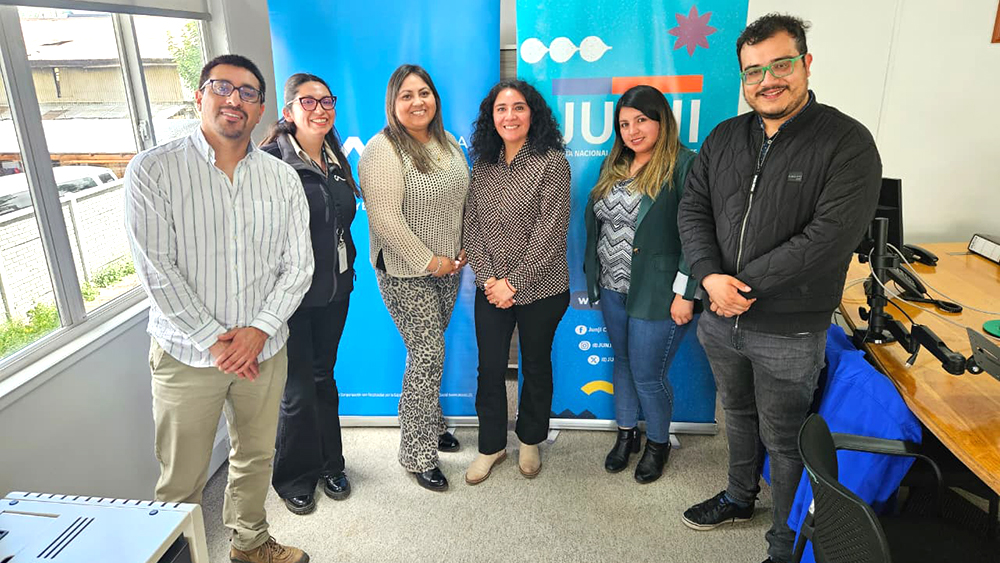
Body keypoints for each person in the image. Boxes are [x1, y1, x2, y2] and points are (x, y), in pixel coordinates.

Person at [676, 14, 881, 563]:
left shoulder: (848, 142)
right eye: (754, 71)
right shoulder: (724, 138)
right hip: (721, 321)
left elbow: (828, 239)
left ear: (806, 63)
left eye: (781, 64)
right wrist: (708, 278)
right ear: (743, 78)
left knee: (785, 438)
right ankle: (741, 497)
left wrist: (736, 285)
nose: (768, 80)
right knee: (736, 416)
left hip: (789, 331)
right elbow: (692, 210)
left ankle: (784, 543)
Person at [125, 55, 314, 563]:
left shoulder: (281, 178)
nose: (234, 99)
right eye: (221, 87)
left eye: (248, 93)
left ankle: (249, 544)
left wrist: (257, 333)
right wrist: (216, 338)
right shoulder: (154, 170)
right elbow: (156, 270)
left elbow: (298, 267)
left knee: (255, 456)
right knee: (181, 477)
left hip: (265, 350)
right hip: (187, 355)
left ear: (260, 110)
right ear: (199, 96)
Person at [358, 64, 470, 492]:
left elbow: (461, 199)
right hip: (408, 270)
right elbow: (385, 219)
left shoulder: (445, 143)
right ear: (393, 102)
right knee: (427, 353)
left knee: (430, 353)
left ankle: (430, 421)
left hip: (448, 267)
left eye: (424, 92)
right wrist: (429, 261)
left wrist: (460, 249)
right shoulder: (382, 149)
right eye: (407, 95)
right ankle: (417, 452)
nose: (418, 101)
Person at [583, 84, 700, 484]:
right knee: (624, 364)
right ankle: (626, 435)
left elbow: (698, 234)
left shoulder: (685, 164)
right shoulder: (613, 164)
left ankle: (658, 444)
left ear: (661, 120)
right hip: (613, 287)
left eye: (641, 121)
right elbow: (597, 222)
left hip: (659, 293)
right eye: (624, 124)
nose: (632, 131)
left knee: (648, 375)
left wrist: (686, 292)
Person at [259, 73, 360, 515]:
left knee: (324, 378)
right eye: (308, 101)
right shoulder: (270, 162)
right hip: (291, 297)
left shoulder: (335, 156)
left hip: (335, 290)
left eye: (327, 101)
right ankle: (293, 477)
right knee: (298, 388)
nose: (320, 109)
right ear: (288, 111)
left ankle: (329, 463)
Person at [462, 80, 570, 485]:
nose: (510, 116)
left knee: (535, 366)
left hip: (541, 288)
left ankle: (529, 440)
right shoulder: (483, 165)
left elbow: (551, 230)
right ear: (492, 118)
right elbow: (472, 225)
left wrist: (515, 283)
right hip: (491, 286)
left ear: (533, 114)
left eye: (518, 107)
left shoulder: (551, 163)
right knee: (489, 369)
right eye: (501, 109)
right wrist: (491, 278)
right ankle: (491, 446)